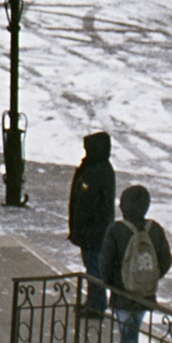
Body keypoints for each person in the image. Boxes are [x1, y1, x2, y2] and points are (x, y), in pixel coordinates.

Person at [96, 182, 172, 343]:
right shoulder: (154, 229)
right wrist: (149, 278)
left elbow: (105, 264)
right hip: (145, 294)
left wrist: (115, 283)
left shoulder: (116, 230)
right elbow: (166, 260)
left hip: (123, 295)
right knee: (130, 334)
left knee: (128, 338)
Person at [66, 133, 117, 321]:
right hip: (92, 229)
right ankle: (95, 303)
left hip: (93, 230)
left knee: (94, 268)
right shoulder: (97, 167)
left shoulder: (96, 170)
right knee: (93, 267)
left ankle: (96, 305)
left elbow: (89, 200)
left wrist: (83, 224)